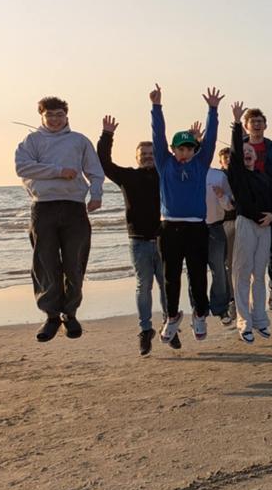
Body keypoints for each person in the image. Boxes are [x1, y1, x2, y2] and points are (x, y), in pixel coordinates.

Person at [15, 96, 104, 342]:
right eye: (50, 115)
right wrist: (58, 171)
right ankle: (51, 316)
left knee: (75, 262)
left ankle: (70, 313)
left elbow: (95, 172)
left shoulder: (79, 140)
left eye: (59, 115)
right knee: (46, 262)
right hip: (43, 207)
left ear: (66, 116)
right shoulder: (32, 141)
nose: (55, 119)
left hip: (75, 207)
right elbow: (22, 168)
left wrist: (96, 194)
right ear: (42, 116)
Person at [151, 84, 222, 345]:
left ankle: (200, 315)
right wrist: (156, 107)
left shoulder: (201, 164)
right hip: (169, 228)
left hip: (196, 228)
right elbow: (158, 135)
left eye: (189, 148)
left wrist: (212, 110)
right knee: (170, 277)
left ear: (194, 150)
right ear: (173, 149)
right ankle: (172, 317)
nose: (185, 152)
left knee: (197, 275)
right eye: (180, 148)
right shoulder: (164, 162)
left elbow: (211, 139)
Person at [97, 115, 170, 355]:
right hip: (138, 241)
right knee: (143, 286)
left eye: (151, 154)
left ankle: (170, 325)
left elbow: (189, 163)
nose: (148, 157)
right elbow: (104, 162)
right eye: (144, 154)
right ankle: (145, 330)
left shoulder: (165, 175)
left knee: (167, 285)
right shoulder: (127, 176)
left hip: (164, 239)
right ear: (137, 157)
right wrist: (107, 135)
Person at [226, 101, 272, 343]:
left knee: (259, 274)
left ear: (256, 157)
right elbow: (236, 152)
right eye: (244, 151)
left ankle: (260, 319)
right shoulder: (237, 175)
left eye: (251, 152)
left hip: (264, 228)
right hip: (246, 224)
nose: (247, 154)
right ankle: (244, 322)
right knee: (242, 273)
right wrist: (237, 123)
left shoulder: (264, 177)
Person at [241, 107, 272, 310]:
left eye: (260, 121)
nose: (257, 125)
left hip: (271, 203)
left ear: (265, 125)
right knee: (246, 252)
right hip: (246, 204)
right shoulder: (240, 146)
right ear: (246, 126)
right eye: (253, 122)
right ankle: (246, 295)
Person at [186, 121, 235, 327]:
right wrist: (194, 139)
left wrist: (222, 196)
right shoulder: (186, 172)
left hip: (215, 228)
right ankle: (198, 310)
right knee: (194, 272)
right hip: (192, 229)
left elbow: (230, 205)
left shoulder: (218, 175)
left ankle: (221, 308)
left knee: (219, 270)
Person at [217, 146, 237, 322]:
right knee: (228, 264)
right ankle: (232, 299)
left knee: (246, 263)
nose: (229, 161)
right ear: (221, 161)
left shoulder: (241, 174)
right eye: (226, 159)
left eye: (231, 158)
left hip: (243, 221)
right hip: (225, 223)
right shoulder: (219, 176)